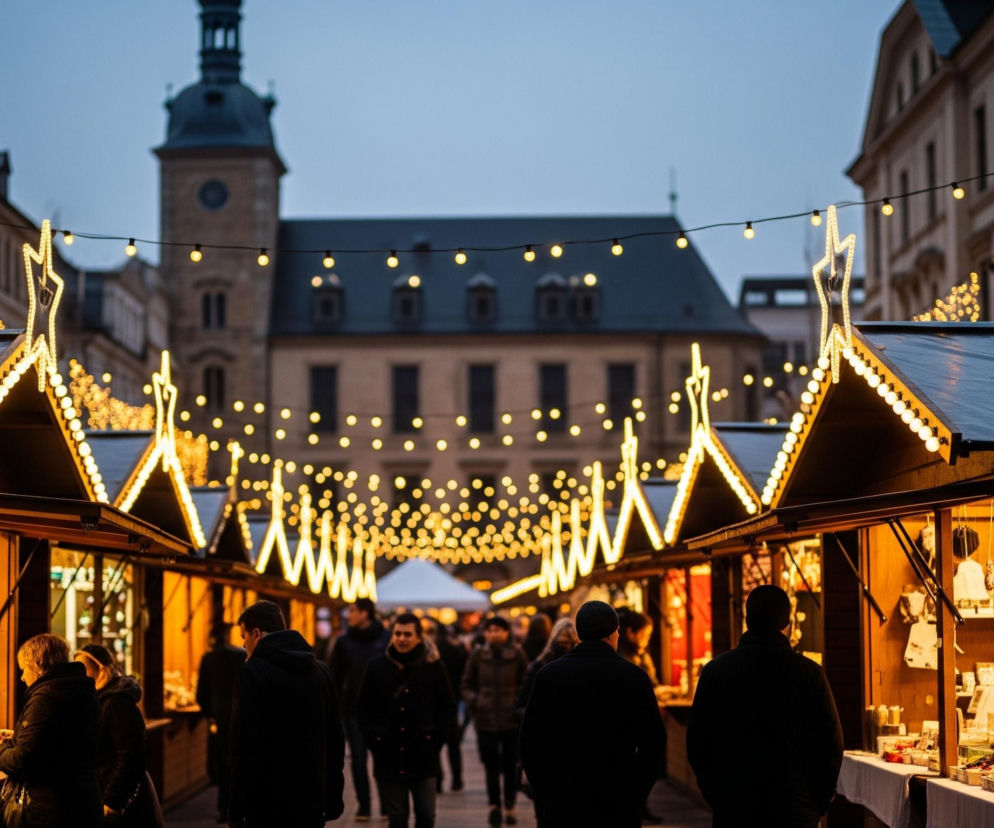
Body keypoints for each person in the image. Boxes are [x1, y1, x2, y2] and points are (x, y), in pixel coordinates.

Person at [687, 585, 844, 828]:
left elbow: (697, 742)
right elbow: (831, 744)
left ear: (747, 620)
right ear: (787, 624)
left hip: (734, 803)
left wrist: (716, 794)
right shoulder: (810, 673)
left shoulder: (716, 671)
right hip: (795, 806)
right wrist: (818, 801)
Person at [520, 601, 664, 828]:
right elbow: (653, 743)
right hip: (617, 798)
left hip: (563, 797)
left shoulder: (549, 676)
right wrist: (637, 792)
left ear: (579, 633)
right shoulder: (633, 677)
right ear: (612, 634)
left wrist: (545, 789)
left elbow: (530, 740)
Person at [228, 600, 345, 828]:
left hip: (265, 803)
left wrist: (236, 808)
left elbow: (244, 746)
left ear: (257, 633)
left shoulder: (252, 674)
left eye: (244, 637)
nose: (244, 645)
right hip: (312, 799)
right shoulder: (321, 671)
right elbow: (335, 739)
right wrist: (333, 795)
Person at [357, 613, 455, 828]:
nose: (402, 638)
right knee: (397, 817)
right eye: (398, 634)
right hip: (388, 754)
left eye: (407, 634)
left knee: (426, 815)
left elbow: (447, 706)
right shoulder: (377, 666)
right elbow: (364, 708)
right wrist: (375, 739)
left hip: (424, 753)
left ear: (419, 637)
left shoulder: (432, 666)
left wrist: (437, 739)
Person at [0, 633, 102, 827]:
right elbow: (61, 739)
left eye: (24, 670)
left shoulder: (45, 697)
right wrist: (19, 736)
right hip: (83, 800)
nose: (22, 678)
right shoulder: (80, 690)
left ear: (37, 665)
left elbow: (20, 761)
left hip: (51, 809)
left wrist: (1, 748)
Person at [74, 644, 162, 827]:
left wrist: (113, 801)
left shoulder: (116, 703)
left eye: (83, 669)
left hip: (122, 801)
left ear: (101, 669)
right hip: (106, 791)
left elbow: (131, 755)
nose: (78, 675)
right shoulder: (97, 700)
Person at [461, 615, 529, 826]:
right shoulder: (478, 655)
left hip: (510, 721)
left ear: (507, 632)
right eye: (490, 630)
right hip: (486, 720)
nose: (493, 634)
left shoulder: (517, 654)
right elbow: (466, 684)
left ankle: (509, 805)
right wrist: (476, 700)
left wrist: (517, 704)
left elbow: (526, 683)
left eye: (498, 630)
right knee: (490, 766)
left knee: (509, 766)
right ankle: (494, 805)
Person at [329, 597, 390, 820]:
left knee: (383, 758)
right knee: (358, 759)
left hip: (383, 709)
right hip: (353, 710)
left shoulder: (386, 638)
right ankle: (364, 805)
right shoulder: (344, 642)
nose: (348, 615)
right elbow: (334, 675)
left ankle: (386, 805)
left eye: (352, 611)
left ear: (365, 613)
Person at [196, 620, 246, 823]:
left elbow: (201, 694)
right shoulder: (240, 657)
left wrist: (210, 715)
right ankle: (240, 804)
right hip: (240, 716)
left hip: (218, 719)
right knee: (239, 761)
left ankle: (223, 806)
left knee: (222, 762)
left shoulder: (208, 659)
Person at [423, 619, 468, 792]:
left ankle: (439, 780)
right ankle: (457, 779)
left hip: (433, 704)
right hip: (453, 701)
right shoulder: (456, 650)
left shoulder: (430, 655)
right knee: (453, 744)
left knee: (435, 745)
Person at [515, 617, 577, 720]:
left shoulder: (538, 665)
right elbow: (521, 704)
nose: (565, 647)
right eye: (562, 643)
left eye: (568, 643)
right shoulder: (538, 666)